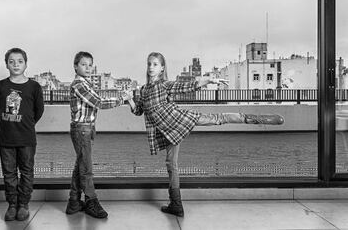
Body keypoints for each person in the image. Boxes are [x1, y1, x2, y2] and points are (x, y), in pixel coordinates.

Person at [127, 52, 284, 217]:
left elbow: (187, 86)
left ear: (162, 68)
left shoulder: (164, 84)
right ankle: (176, 205)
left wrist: (209, 80)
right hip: (168, 132)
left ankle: (251, 118)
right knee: (171, 165)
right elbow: (139, 111)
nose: (151, 67)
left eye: (155, 64)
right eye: (149, 64)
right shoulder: (143, 90)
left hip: (179, 121)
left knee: (217, 119)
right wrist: (130, 99)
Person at [66, 51, 132, 219]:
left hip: (86, 128)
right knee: (86, 168)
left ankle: (74, 202)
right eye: (83, 64)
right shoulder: (79, 85)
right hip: (82, 129)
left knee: (80, 165)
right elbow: (99, 103)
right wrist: (122, 99)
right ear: (75, 66)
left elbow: (97, 100)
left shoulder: (86, 84)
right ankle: (91, 201)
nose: (87, 68)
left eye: (90, 65)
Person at [0, 48, 44, 221]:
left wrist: (25, 124)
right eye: (12, 61)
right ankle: (12, 205)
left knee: (27, 172)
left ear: (26, 63)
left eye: (20, 61)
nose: (16, 64)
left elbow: (38, 111)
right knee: (9, 173)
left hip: (27, 138)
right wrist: (10, 120)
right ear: (6, 64)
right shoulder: (0, 86)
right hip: (6, 138)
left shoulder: (34, 87)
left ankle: (24, 204)